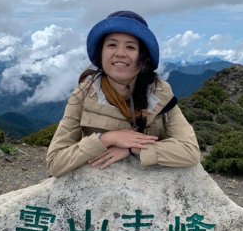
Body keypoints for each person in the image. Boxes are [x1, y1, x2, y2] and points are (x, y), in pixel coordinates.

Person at [46, 10, 200, 177]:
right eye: (112, 45)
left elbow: (190, 150)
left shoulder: (159, 95)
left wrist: (133, 147)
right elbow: (55, 162)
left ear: (143, 60)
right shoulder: (84, 94)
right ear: (101, 53)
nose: (120, 53)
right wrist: (106, 139)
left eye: (130, 47)